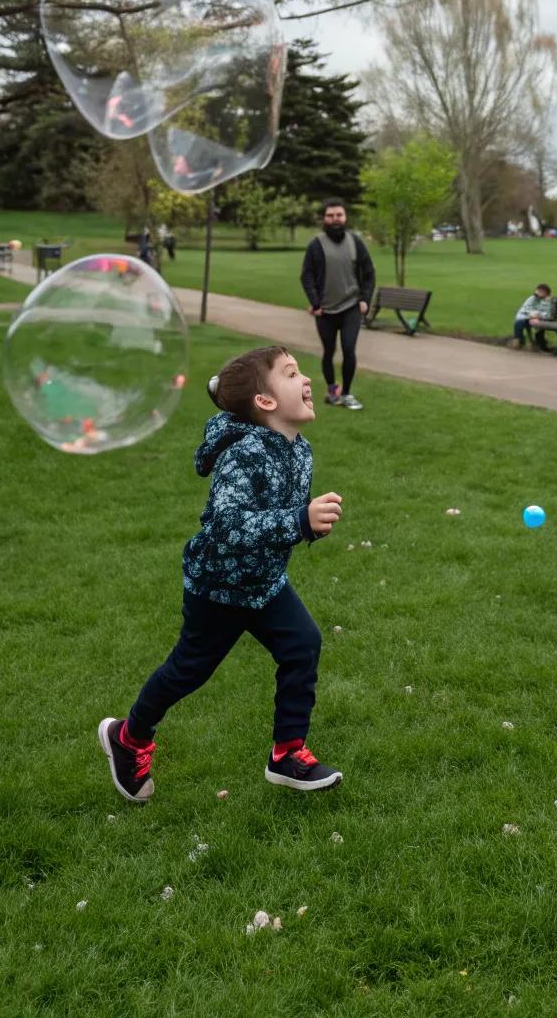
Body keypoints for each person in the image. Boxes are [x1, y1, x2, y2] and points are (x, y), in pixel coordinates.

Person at [98, 345, 344, 802]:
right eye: (291, 374)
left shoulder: (300, 449)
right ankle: (128, 739)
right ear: (265, 402)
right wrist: (297, 521)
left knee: (303, 644)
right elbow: (229, 525)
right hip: (219, 586)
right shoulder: (244, 454)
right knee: (187, 671)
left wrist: (308, 524)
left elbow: (279, 519)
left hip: (263, 582)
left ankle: (287, 754)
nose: (306, 379)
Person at [300, 199, 376, 411]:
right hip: (325, 310)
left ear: (345, 217)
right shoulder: (316, 244)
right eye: (330, 215)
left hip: (351, 306)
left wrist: (364, 300)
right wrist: (315, 303)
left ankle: (347, 393)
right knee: (328, 350)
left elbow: (369, 273)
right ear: (324, 219)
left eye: (339, 215)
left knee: (349, 349)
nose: (335, 219)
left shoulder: (355, 242)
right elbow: (307, 276)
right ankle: (332, 390)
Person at [511, 283, 553, 349]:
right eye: (539, 291)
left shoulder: (547, 301)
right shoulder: (532, 298)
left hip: (539, 319)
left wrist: (538, 315)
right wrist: (532, 315)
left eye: (543, 292)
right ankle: (519, 340)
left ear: (547, 293)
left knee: (538, 324)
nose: (540, 293)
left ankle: (537, 343)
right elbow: (526, 308)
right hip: (527, 317)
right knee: (519, 322)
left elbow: (547, 313)